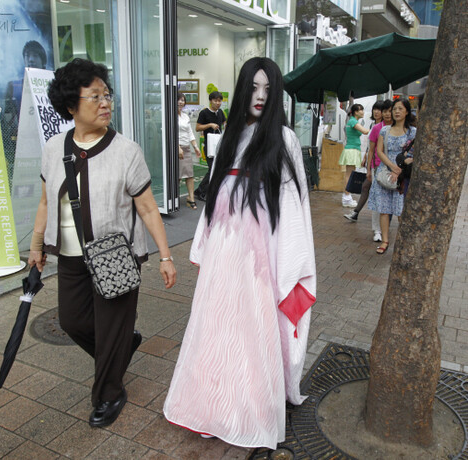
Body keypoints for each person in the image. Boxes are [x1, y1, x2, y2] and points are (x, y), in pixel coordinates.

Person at [163, 57, 316, 449]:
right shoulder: (230, 135)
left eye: (268, 89)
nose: (260, 96)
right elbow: (214, 198)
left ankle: (249, 409)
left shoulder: (285, 141)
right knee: (216, 326)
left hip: (258, 259)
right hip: (224, 252)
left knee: (251, 327)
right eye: (253, 88)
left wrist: (290, 265)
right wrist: (204, 246)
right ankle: (208, 405)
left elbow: (294, 209)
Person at [28, 58, 176, 427]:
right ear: (70, 105)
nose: (105, 103)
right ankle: (120, 346)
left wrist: (165, 256)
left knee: (111, 328)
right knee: (72, 321)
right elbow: (47, 200)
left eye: (107, 95)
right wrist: (35, 246)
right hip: (71, 258)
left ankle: (109, 393)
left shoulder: (127, 151)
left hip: (114, 256)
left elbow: (147, 207)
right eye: (94, 96)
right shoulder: (53, 147)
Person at [367, 98, 417, 254]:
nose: (396, 112)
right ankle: (385, 241)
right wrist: (392, 167)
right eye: (394, 109)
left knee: (402, 209)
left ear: (407, 111)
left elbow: (416, 152)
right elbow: (379, 151)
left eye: (400, 109)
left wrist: (401, 168)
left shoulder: (413, 132)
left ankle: (404, 242)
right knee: (383, 209)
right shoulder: (384, 130)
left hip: (403, 175)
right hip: (385, 173)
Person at [344, 100, 393, 243]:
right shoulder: (376, 127)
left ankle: (358, 213)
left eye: (386, 110)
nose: (383, 113)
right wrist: (369, 165)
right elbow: (371, 148)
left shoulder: (399, 128)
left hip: (393, 169)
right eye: (379, 110)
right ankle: (377, 229)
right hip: (376, 166)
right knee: (374, 195)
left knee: (390, 199)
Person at [194, 91, 226, 201]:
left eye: (220, 101)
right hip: (209, 146)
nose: (218, 103)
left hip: (219, 145)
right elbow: (197, 128)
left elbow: (224, 124)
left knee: (216, 169)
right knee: (213, 169)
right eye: (216, 100)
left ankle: (201, 190)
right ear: (210, 101)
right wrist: (209, 125)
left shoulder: (220, 112)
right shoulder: (204, 113)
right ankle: (201, 191)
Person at [340, 103, 370, 208]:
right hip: (352, 149)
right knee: (349, 174)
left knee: (349, 173)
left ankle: (347, 196)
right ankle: (346, 197)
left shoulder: (352, 121)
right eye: (360, 110)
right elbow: (365, 131)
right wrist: (376, 130)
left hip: (352, 149)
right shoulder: (353, 121)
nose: (362, 112)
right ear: (355, 112)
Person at [177, 93, 201, 209]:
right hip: (176, 149)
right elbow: (168, 132)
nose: (181, 102)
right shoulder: (170, 115)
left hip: (186, 148)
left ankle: (190, 197)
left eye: (182, 100)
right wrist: (177, 147)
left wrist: (196, 147)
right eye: (178, 100)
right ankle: (173, 198)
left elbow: (190, 132)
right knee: (177, 175)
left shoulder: (185, 116)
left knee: (189, 174)